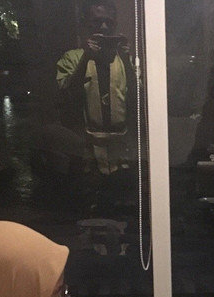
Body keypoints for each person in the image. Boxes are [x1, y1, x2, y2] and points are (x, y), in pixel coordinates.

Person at [52, 0, 137, 214]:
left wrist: (126, 59)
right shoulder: (72, 58)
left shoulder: (124, 60)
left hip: (121, 152)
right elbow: (66, 96)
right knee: (86, 211)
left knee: (121, 212)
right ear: (85, 24)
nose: (104, 27)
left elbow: (139, 98)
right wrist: (86, 60)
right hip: (85, 152)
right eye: (97, 22)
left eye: (109, 22)